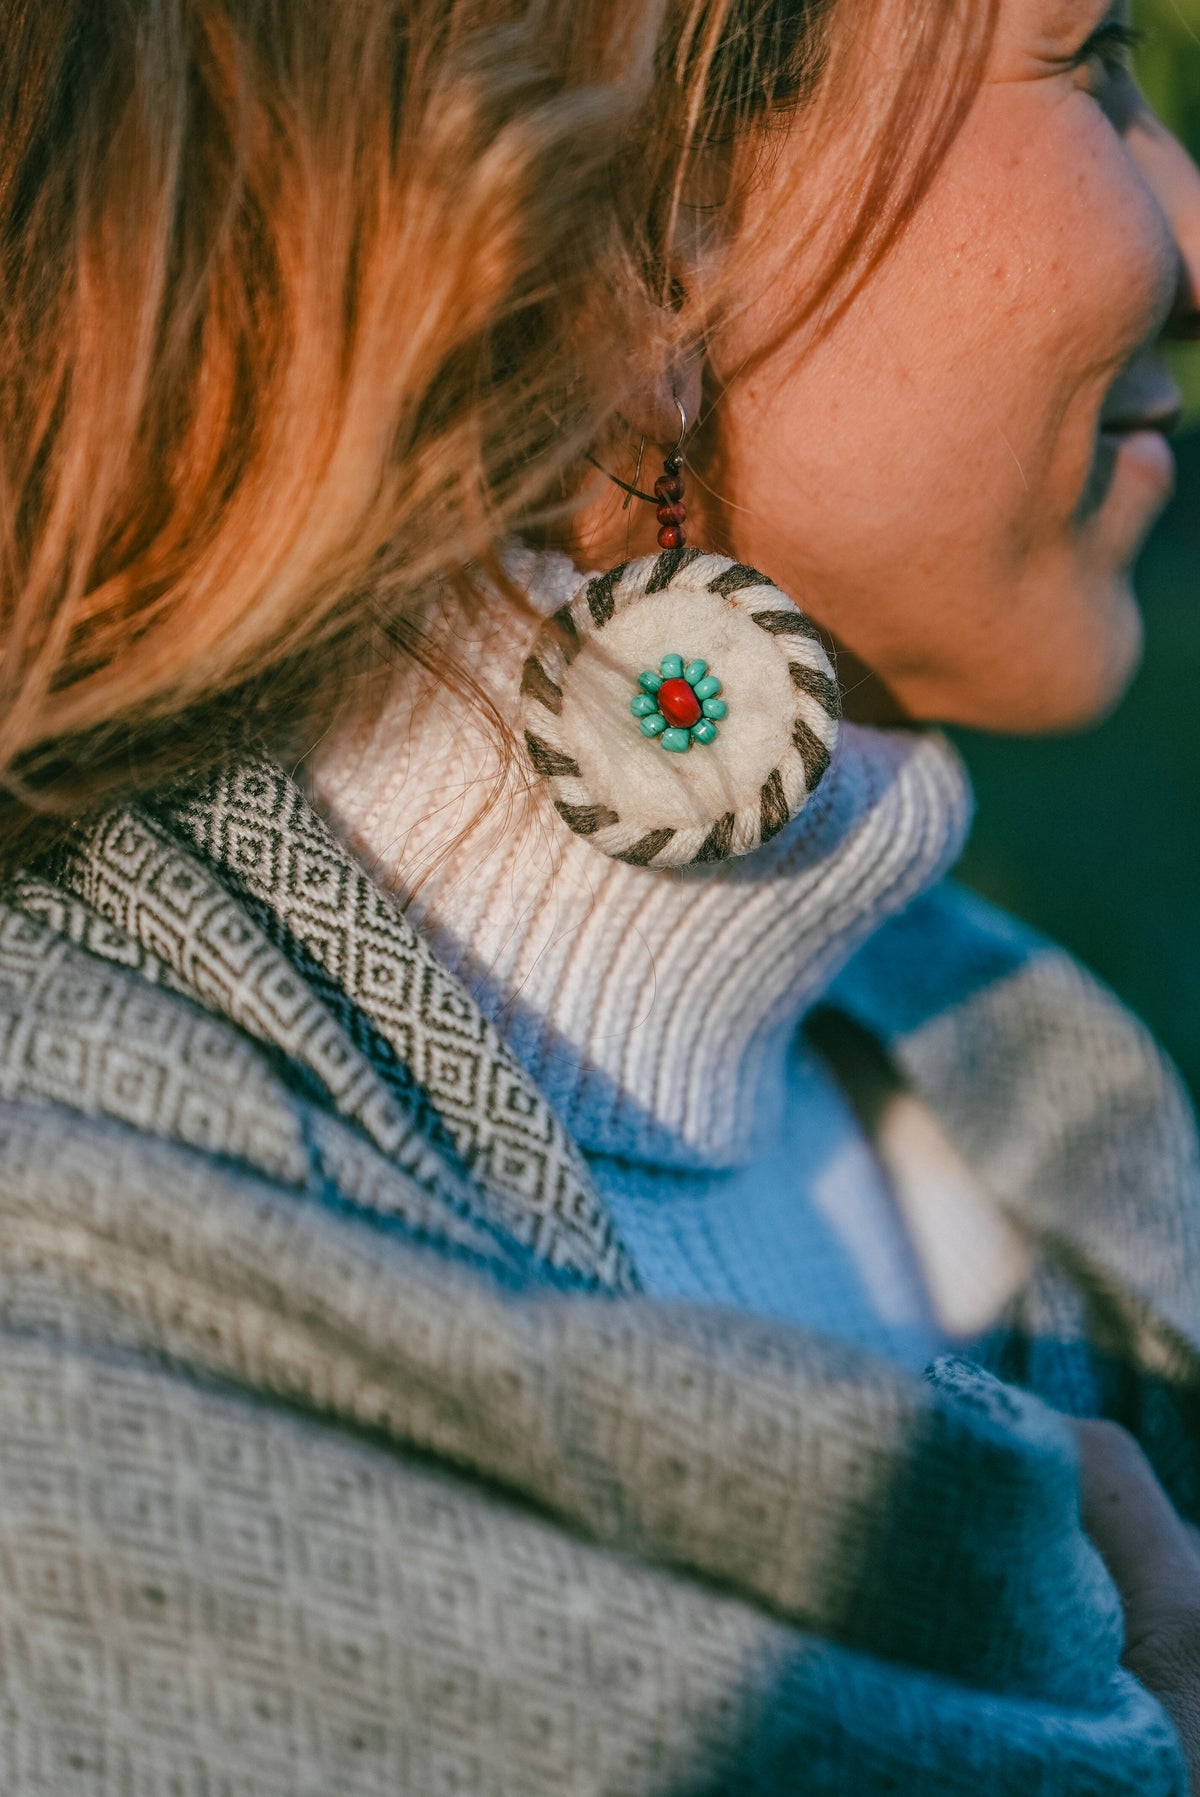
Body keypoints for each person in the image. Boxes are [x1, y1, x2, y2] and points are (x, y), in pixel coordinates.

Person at [3, 0, 1200, 1790]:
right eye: (1091, 64)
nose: (1190, 222)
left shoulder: (1019, 1099)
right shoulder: (76, 1323)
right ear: (632, 248)